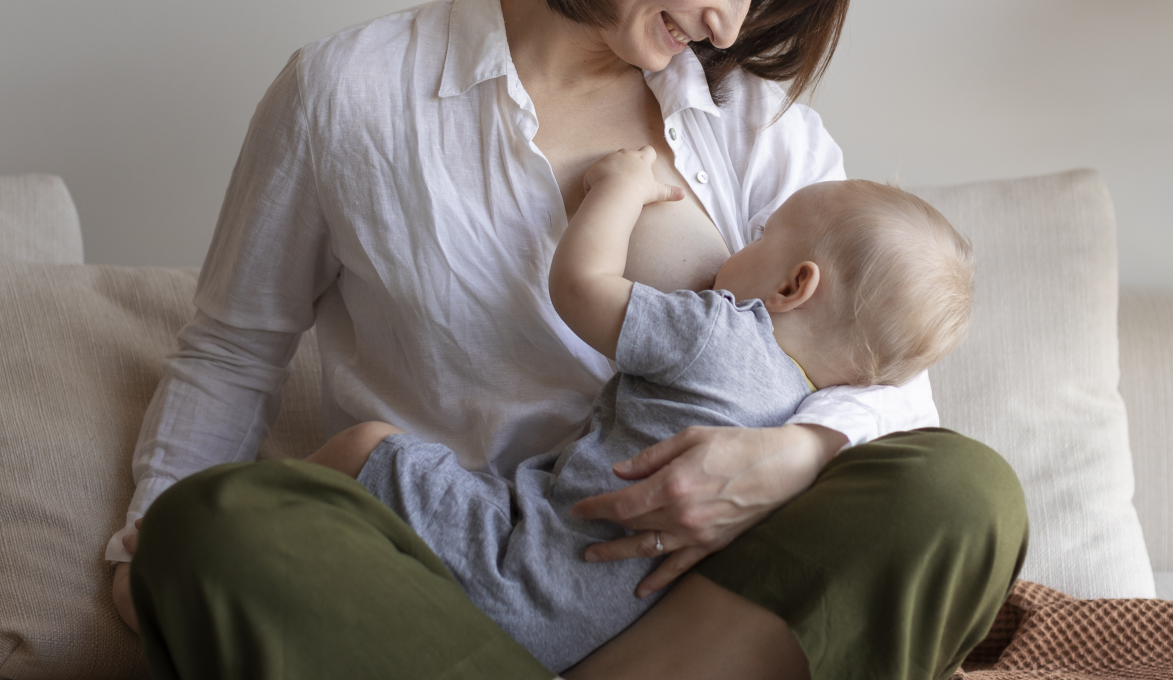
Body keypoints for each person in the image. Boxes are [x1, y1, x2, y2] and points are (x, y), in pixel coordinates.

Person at [110, 0, 1029, 678]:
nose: (723, 24)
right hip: (447, 576)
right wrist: (146, 532)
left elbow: (888, 378)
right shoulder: (348, 95)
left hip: (706, 584)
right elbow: (234, 350)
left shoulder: (750, 118)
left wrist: (790, 457)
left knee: (964, 488)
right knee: (208, 528)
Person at [302, 147, 978, 672]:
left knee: (366, 445)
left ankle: (271, 515)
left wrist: (621, 187)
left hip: (514, 567)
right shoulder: (804, 414)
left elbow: (579, 285)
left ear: (793, 285)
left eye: (761, 235)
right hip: (608, 629)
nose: (737, 247)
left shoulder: (716, 335)